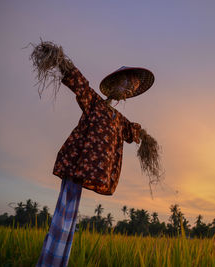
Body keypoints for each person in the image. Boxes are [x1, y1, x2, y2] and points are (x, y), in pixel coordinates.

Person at [30, 41, 163, 267]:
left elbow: (136, 132)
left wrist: (148, 140)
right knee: (65, 213)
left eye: (134, 87)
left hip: (94, 170)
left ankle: (58, 261)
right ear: (115, 85)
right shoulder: (94, 104)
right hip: (78, 164)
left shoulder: (120, 121)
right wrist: (60, 60)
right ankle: (50, 262)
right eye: (128, 83)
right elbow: (79, 84)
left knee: (70, 220)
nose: (131, 88)